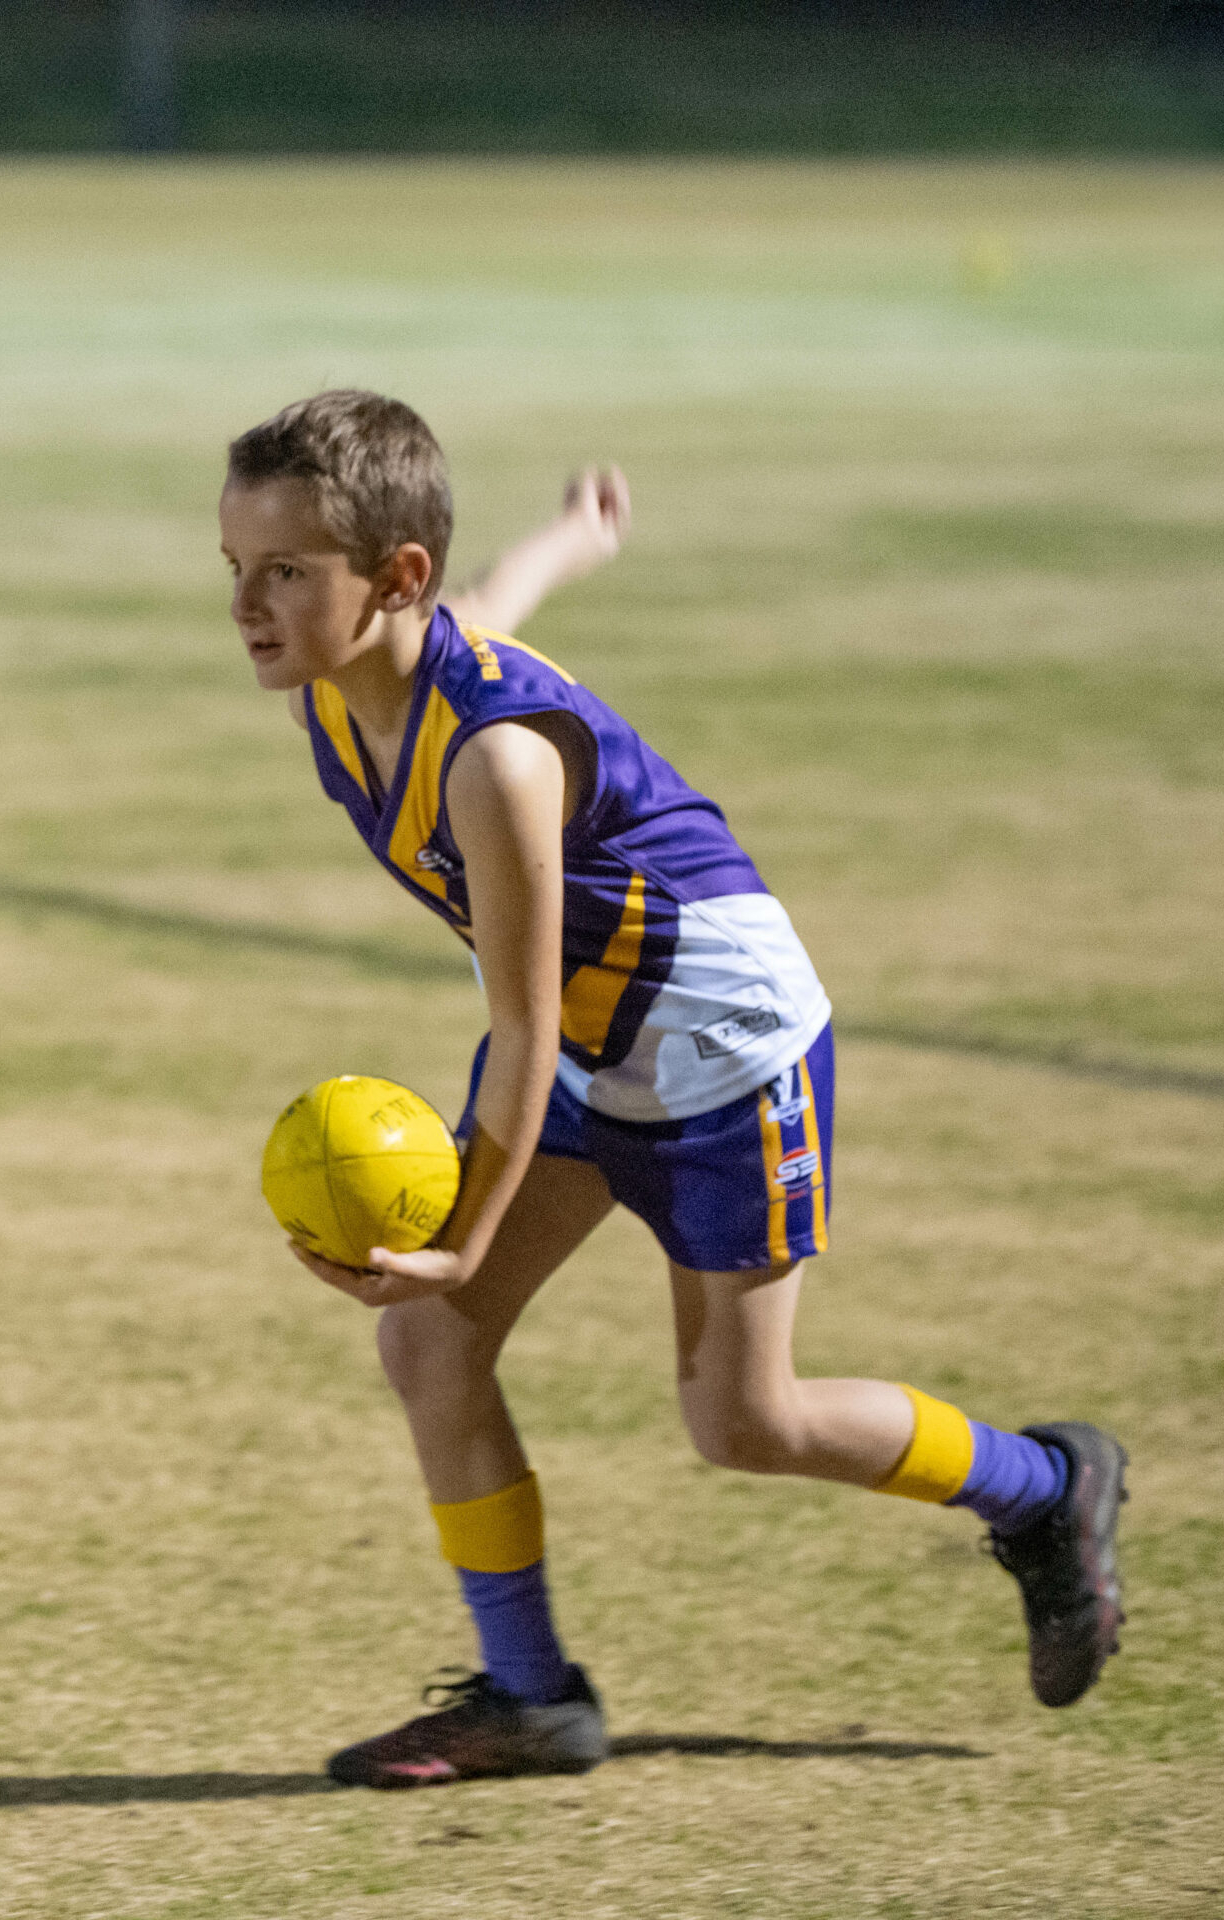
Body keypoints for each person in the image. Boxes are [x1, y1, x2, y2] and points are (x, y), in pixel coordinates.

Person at [219, 389, 1127, 1790]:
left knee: (744, 1421)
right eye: (236, 566)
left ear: (389, 580)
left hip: (720, 1048)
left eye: (285, 571)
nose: (246, 607)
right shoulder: (347, 694)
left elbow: (520, 1030)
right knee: (433, 1346)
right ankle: (531, 1697)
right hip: (597, 1038)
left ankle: (1046, 1487)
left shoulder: (494, 762)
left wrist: (462, 1240)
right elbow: (484, 601)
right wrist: (567, 541)